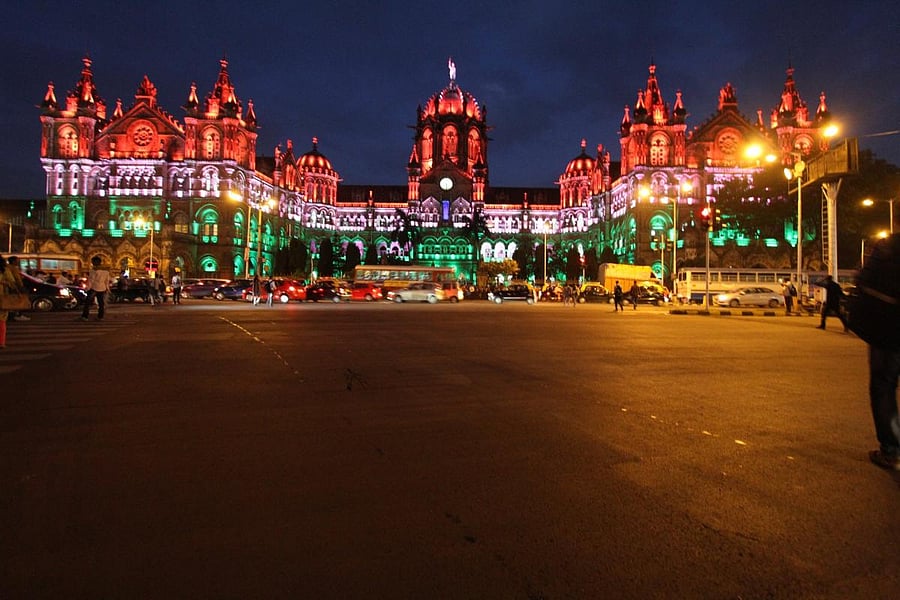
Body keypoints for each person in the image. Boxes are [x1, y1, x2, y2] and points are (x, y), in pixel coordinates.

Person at [850, 231, 900, 471]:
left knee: (883, 388)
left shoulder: (887, 247)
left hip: (889, 330)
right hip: (889, 329)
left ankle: (891, 450)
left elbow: (863, 280)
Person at [0, 255, 21, 349]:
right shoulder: (5, 270)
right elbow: (12, 282)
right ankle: (1, 342)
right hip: (2, 296)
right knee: (2, 320)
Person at [80, 256, 110, 321]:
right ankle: (100, 317)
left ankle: (85, 316)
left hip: (94, 288)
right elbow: (107, 281)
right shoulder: (106, 271)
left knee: (87, 302)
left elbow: (91, 280)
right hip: (102, 288)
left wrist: (87, 288)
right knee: (101, 303)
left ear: (95, 262)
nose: (92, 263)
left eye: (93, 262)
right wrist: (107, 288)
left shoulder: (93, 270)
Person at [6, 255, 29, 321]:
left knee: (10, 301)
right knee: (19, 300)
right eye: (17, 260)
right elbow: (17, 279)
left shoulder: (7, 267)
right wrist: (21, 286)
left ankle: (12, 314)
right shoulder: (13, 268)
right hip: (15, 287)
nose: (18, 261)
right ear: (13, 261)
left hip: (9, 287)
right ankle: (18, 315)